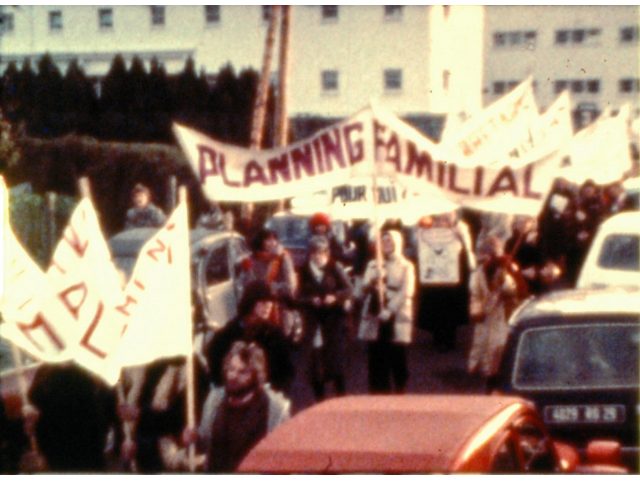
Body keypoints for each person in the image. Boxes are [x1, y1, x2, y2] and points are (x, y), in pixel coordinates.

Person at [180, 341, 290, 473]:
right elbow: (205, 443)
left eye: (242, 372)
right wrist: (193, 439)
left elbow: (283, 459)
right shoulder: (215, 400)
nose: (233, 376)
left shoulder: (275, 408)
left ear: (256, 375)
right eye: (231, 369)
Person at [206, 280, 295, 394]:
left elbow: (286, 372)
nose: (268, 306)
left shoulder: (274, 335)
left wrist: (273, 392)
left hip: (265, 398)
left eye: (270, 302)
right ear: (251, 302)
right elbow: (214, 363)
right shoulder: (228, 333)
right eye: (262, 302)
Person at [26, 362, 117, 472]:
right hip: (84, 435)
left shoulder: (48, 370)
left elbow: (34, 396)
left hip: (60, 436)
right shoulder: (87, 369)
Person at [358, 230, 416, 394]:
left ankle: (400, 387)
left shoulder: (406, 266)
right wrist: (372, 280)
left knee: (397, 353)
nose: (387, 244)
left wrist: (390, 310)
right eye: (383, 242)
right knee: (376, 353)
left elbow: (407, 291)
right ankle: (377, 389)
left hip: (396, 313)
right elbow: (362, 290)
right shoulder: (373, 264)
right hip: (376, 312)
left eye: (390, 241)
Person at [297, 235, 353, 400]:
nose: (318, 256)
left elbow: (349, 290)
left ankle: (341, 397)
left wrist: (335, 297)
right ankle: (319, 399)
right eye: (314, 253)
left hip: (333, 321)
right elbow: (298, 296)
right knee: (315, 362)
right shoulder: (304, 270)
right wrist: (310, 300)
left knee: (335, 361)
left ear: (327, 253)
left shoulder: (335, 267)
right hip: (313, 322)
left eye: (322, 252)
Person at [467, 236, 527, 389]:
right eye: (482, 258)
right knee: (484, 349)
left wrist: (509, 275)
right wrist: (476, 312)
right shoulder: (477, 275)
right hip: (486, 319)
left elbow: (518, 292)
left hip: (503, 316)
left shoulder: (507, 269)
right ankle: (488, 379)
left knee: (500, 347)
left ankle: (498, 381)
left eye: (488, 256)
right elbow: (476, 296)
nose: (484, 261)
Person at [415, 211, 475, 352]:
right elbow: (419, 241)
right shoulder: (427, 224)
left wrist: (456, 228)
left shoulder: (460, 226)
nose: (443, 219)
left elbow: (467, 246)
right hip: (433, 273)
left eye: (447, 215)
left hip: (452, 271)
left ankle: (449, 338)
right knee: (435, 304)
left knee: (450, 305)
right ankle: (437, 336)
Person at [238, 228, 298, 339]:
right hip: (256, 310)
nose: (272, 243)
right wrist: (247, 271)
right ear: (261, 241)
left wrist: (268, 288)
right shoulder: (252, 259)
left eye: (274, 239)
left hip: (279, 308)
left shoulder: (283, 257)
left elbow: (290, 286)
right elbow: (244, 285)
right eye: (268, 240)